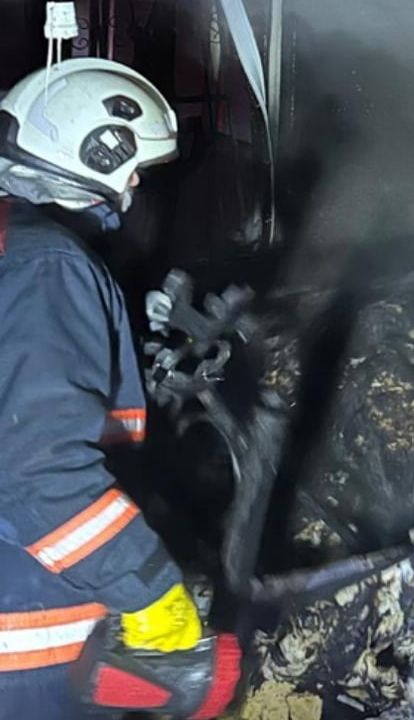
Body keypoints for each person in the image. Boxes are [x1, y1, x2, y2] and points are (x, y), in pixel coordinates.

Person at [0, 59, 237, 718]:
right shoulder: (49, 266)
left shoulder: (13, 248)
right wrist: (153, 597)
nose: (135, 185)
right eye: (131, 167)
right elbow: (35, 471)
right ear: (89, 156)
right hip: (26, 655)